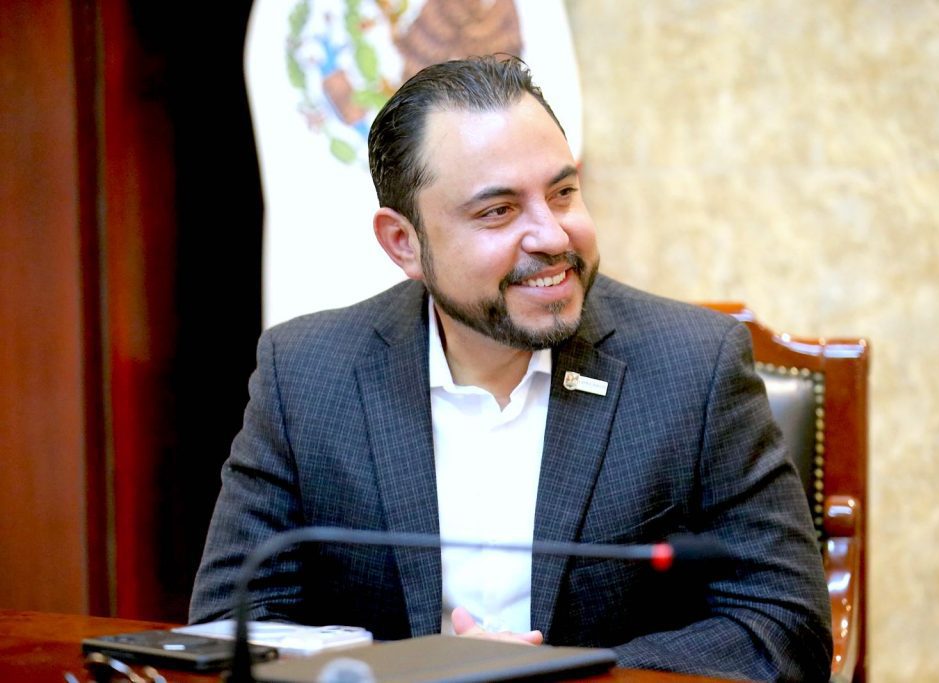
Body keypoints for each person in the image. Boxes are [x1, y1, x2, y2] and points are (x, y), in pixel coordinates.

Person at [190, 56, 832, 681]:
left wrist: (561, 678)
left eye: (563, 193)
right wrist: (415, 674)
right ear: (404, 243)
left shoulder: (694, 365)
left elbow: (784, 625)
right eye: (497, 211)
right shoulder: (306, 373)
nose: (552, 236)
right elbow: (233, 626)